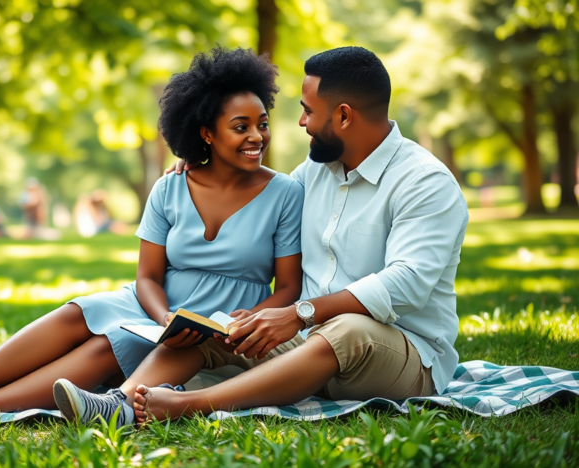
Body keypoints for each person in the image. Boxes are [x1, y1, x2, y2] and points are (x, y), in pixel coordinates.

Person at [53, 46, 469, 427]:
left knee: (347, 329)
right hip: (306, 346)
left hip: (405, 356)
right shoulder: (313, 175)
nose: (302, 122)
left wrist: (299, 313)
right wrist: (200, 163)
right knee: (214, 328)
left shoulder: (424, 182)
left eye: (308, 111)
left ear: (343, 116)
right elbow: (258, 193)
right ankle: (121, 405)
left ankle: (186, 405)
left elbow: (407, 284)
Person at [0, 46, 305, 422]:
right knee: (79, 313)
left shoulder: (284, 192)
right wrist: (162, 317)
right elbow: (147, 276)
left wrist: (250, 322)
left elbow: (288, 286)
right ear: (206, 134)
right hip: (156, 306)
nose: (257, 137)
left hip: (223, 318)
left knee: (106, 345)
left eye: (262, 124)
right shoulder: (170, 186)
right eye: (241, 126)